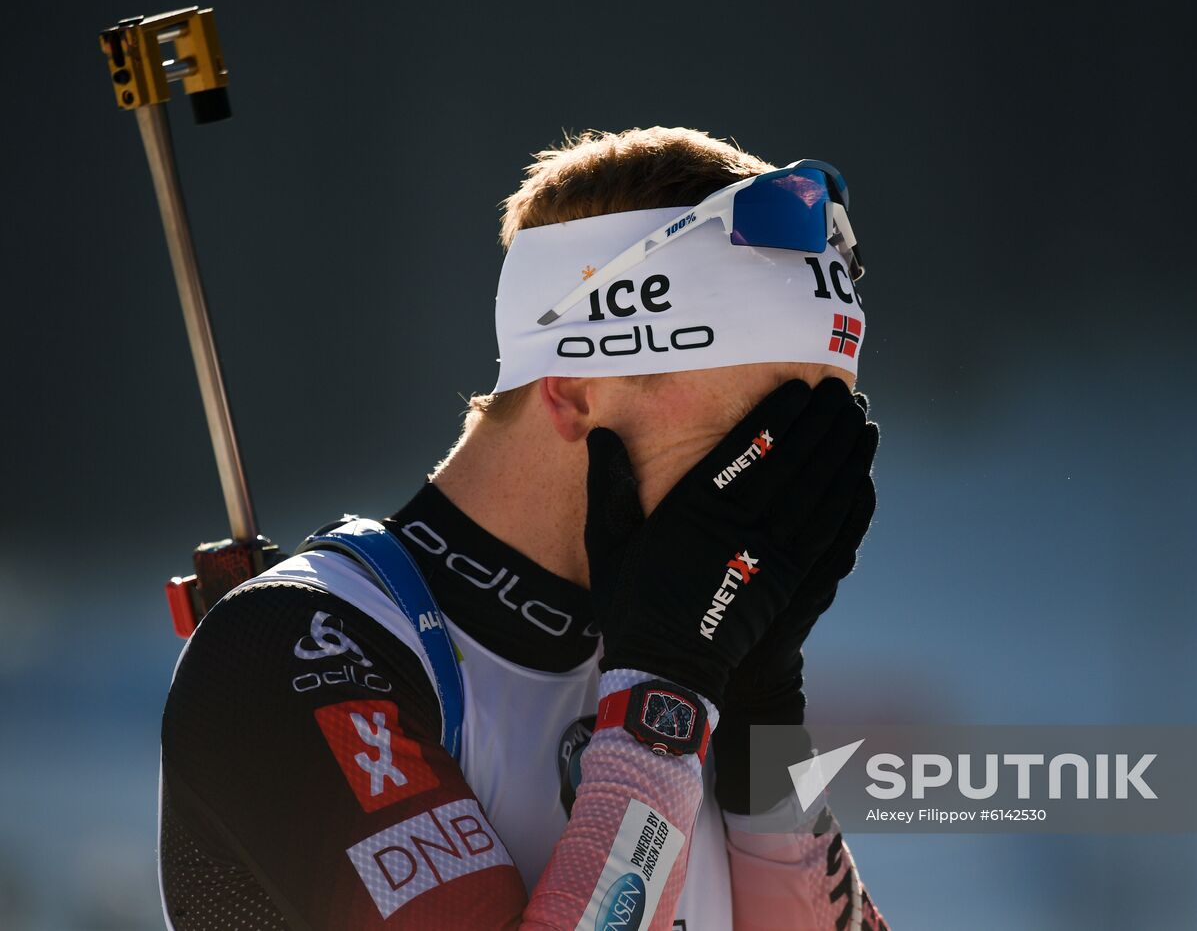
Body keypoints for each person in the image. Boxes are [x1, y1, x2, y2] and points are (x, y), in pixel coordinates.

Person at [158, 126, 887, 930]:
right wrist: (662, 708)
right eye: (763, 425)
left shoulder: (681, 658)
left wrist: (761, 719)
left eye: (822, 430)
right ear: (574, 390)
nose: (792, 481)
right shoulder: (294, 647)